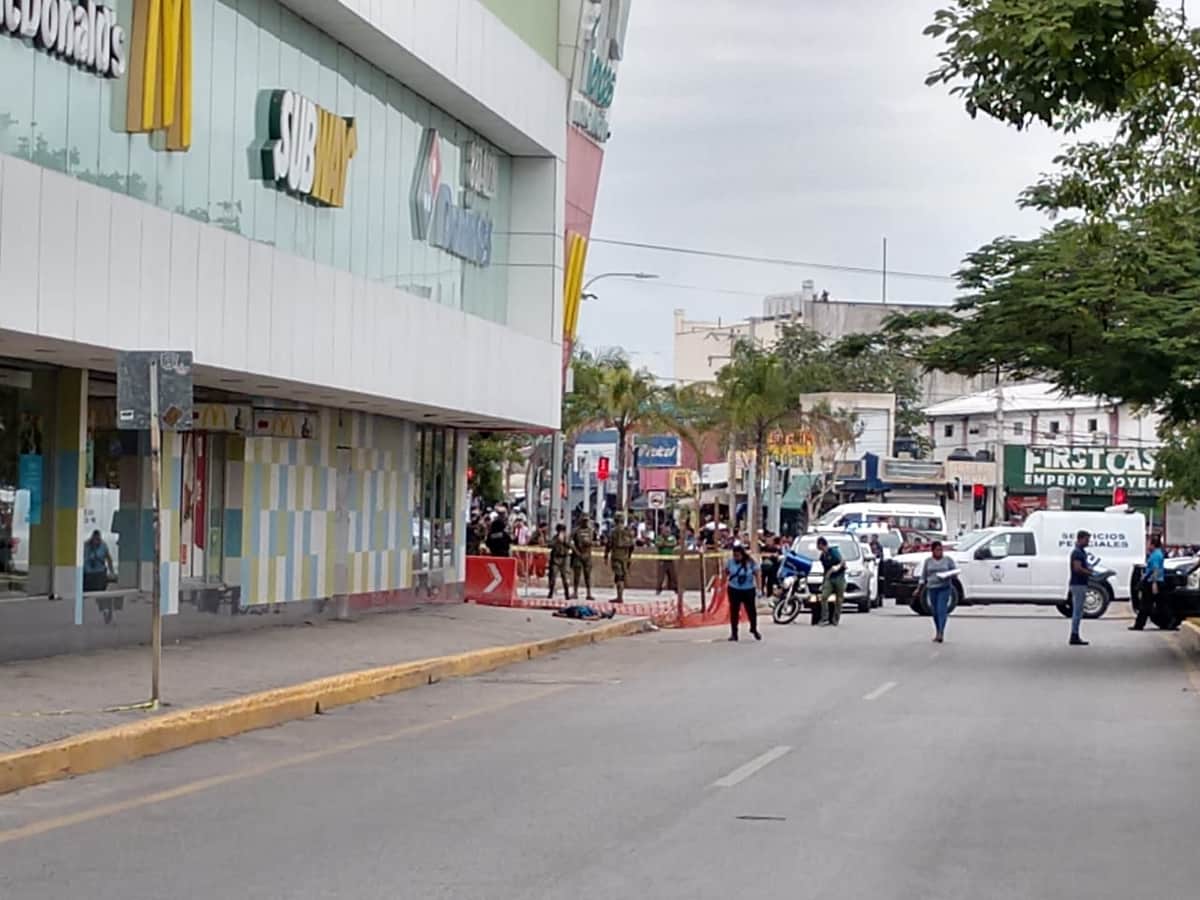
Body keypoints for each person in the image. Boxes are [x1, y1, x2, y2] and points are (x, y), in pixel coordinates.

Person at [920, 541, 956, 643]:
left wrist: (950, 575)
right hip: (932, 587)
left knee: (942, 609)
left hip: (944, 587)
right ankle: (937, 630)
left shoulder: (948, 560)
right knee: (935, 611)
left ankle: (941, 632)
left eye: (941, 550)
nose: (939, 552)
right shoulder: (928, 561)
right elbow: (923, 576)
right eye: (937, 550)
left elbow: (954, 571)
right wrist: (919, 588)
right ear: (932, 551)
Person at [725, 540, 761, 641]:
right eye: (734, 555)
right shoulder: (730, 562)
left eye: (738, 556)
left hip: (748, 589)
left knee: (751, 611)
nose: (736, 558)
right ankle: (734, 633)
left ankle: (753, 628)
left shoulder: (750, 562)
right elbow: (726, 573)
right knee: (734, 611)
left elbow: (757, 574)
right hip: (734, 589)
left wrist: (759, 588)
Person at [1132, 534, 1167, 631]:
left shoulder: (1155, 555)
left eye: (1148, 543)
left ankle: (1139, 625)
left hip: (1153, 582)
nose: (1147, 545)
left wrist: (1154, 583)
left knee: (1145, 604)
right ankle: (1165, 623)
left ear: (1152, 544)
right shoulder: (1157, 553)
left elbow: (1155, 569)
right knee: (1159, 604)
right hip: (1154, 581)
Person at [84, 530, 118, 624]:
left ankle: (106, 611)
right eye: (95, 539)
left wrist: (112, 572)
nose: (96, 541)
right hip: (88, 574)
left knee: (100, 595)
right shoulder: (86, 546)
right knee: (86, 594)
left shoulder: (103, 546)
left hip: (99, 574)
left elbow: (109, 559)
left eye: (98, 539)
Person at [1068, 530, 1093, 646]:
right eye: (1087, 539)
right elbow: (1077, 568)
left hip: (1079, 583)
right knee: (1077, 611)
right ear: (1080, 539)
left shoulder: (1081, 552)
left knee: (1078, 610)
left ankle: (1075, 634)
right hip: (1078, 584)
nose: (1088, 542)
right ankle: (1074, 635)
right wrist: (1088, 572)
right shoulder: (1077, 553)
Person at [816, 536, 847, 627]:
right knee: (824, 596)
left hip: (839, 577)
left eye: (818, 545)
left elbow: (842, 561)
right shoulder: (822, 557)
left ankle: (835, 619)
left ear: (822, 545)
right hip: (829, 578)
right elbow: (825, 570)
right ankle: (825, 618)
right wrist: (824, 581)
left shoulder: (833, 552)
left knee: (839, 599)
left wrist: (837, 567)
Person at [607, 513, 636, 603]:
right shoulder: (629, 531)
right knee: (622, 577)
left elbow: (609, 544)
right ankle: (620, 596)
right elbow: (632, 545)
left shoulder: (613, 531)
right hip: (625, 557)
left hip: (616, 556)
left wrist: (606, 554)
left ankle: (619, 597)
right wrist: (629, 556)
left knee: (618, 577)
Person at [571, 514, 596, 602]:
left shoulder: (591, 531)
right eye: (583, 520)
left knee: (587, 575)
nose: (585, 522)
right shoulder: (576, 531)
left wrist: (591, 543)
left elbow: (596, 541)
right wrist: (575, 551)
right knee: (576, 575)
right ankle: (575, 592)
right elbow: (570, 542)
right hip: (578, 555)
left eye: (586, 521)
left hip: (587, 555)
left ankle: (589, 593)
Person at [548, 524, 572, 600]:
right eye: (559, 530)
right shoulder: (555, 538)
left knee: (565, 577)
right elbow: (550, 545)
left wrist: (564, 541)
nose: (561, 532)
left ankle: (567, 594)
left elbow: (570, 546)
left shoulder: (567, 538)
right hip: (555, 559)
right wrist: (557, 541)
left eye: (562, 530)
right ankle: (551, 592)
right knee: (553, 577)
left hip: (564, 559)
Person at [655, 528, 679, 595]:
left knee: (673, 575)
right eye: (665, 531)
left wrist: (664, 544)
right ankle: (658, 589)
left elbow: (673, 544)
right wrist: (665, 542)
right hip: (662, 559)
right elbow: (658, 545)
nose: (667, 532)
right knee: (661, 576)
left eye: (668, 531)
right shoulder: (659, 538)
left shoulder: (672, 537)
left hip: (670, 559)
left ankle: (676, 589)